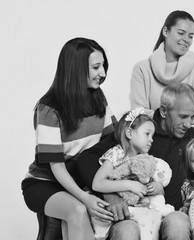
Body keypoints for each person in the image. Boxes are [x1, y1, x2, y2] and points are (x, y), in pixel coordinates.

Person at [76, 83, 194, 240]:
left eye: (193, 117)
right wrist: (111, 194)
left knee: (178, 224)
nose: (189, 124)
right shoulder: (140, 131)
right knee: (126, 231)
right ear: (165, 111)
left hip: (170, 213)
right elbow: (86, 159)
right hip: (135, 214)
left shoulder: (192, 136)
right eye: (183, 117)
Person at [21, 37, 120, 240]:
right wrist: (85, 197)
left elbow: (113, 141)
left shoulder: (98, 98)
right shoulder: (49, 109)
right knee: (78, 210)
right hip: (45, 183)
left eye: (103, 66)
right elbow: (57, 168)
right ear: (76, 69)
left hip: (84, 181)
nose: (102, 73)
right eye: (96, 67)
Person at [91, 108, 173, 240]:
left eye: (152, 136)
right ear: (129, 133)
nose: (151, 140)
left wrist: (157, 188)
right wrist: (130, 185)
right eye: (147, 134)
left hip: (140, 211)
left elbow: (149, 183)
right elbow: (97, 183)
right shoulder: (117, 153)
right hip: (121, 214)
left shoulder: (145, 159)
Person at [130, 10, 194, 126]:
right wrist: (179, 117)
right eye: (181, 33)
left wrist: (162, 117)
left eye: (190, 36)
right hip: (152, 139)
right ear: (166, 31)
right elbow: (139, 113)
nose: (186, 40)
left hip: (188, 139)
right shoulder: (142, 69)